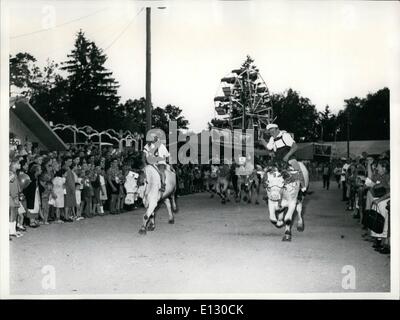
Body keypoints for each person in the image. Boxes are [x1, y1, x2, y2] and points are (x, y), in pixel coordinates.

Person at [259, 123, 307, 193]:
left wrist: (287, 156)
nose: (272, 134)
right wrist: (262, 140)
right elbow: (269, 147)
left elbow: (295, 147)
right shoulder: (272, 138)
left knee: (296, 169)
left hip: (288, 154)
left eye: (273, 132)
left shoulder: (285, 135)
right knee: (267, 169)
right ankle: (268, 188)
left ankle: (303, 186)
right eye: (270, 133)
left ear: (277, 129)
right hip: (277, 157)